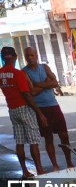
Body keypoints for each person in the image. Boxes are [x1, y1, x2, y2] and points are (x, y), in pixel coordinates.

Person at [23, 47, 74, 171]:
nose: (30, 58)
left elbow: (55, 83)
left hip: (54, 106)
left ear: (36, 55)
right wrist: (46, 83)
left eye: (32, 55)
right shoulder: (24, 72)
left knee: (64, 135)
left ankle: (69, 162)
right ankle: (55, 165)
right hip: (41, 109)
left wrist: (37, 84)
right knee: (48, 138)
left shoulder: (44, 67)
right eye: (27, 56)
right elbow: (32, 92)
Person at [0, 46, 47, 179]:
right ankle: (39, 170)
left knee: (19, 142)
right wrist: (39, 113)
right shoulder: (18, 73)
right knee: (33, 141)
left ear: (3, 58)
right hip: (24, 109)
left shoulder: (0, 73)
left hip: (12, 110)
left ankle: (25, 171)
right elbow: (26, 94)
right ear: (15, 57)